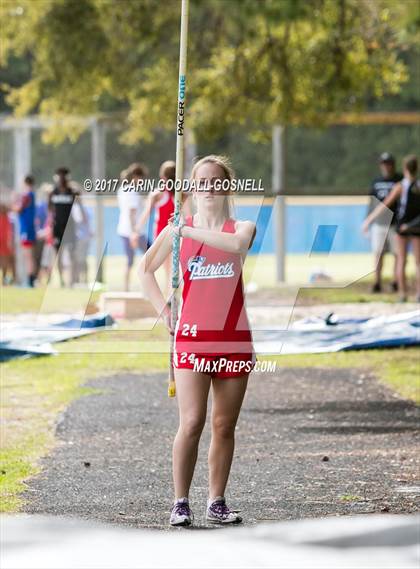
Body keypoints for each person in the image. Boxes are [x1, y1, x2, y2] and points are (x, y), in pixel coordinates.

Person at [139, 155, 257, 527]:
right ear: (191, 187)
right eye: (201, 181)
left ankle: (216, 501)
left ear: (227, 186)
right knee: (191, 422)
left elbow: (237, 245)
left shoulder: (242, 226)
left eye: (216, 180)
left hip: (233, 340)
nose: (209, 187)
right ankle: (180, 502)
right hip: (191, 339)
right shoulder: (178, 229)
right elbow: (145, 269)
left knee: (224, 426)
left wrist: (185, 233)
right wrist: (166, 312)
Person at [363, 154, 420, 302]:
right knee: (418, 262)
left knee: (401, 259)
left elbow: (385, 204)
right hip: (417, 227)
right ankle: (418, 294)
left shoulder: (400, 186)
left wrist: (369, 219)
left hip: (400, 226)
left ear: (404, 168)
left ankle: (402, 293)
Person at [131, 160, 176, 293]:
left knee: (165, 267)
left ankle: (169, 294)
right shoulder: (180, 193)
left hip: (163, 234)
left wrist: (135, 231)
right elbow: (188, 214)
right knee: (170, 267)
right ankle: (170, 293)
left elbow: (146, 214)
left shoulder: (158, 193)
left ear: (163, 176)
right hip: (175, 233)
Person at [366, 153, 403, 293]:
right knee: (377, 253)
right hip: (379, 223)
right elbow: (372, 202)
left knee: (397, 254)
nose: (386, 166)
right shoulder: (376, 182)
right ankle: (377, 282)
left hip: (395, 223)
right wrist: (369, 219)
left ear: (393, 164)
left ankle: (395, 281)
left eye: (388, 163)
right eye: (384, 163)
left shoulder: (399, 180)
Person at [117, 163, 148, 291]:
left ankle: (126, 288)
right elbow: (131, 213)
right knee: (151, 255)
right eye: (141, 178)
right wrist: (134, 233)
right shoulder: (133, 191)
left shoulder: (122, 189)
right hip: (133, 231)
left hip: (124, 230)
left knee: (130, 261)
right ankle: (144, 286)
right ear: (135, 176)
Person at [48, 167, 77, 287]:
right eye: (59, 176)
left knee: (71, 253)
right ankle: (61, 280)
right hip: (57, 228)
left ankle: (71, 280)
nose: (61, 179)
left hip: (70, 227)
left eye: (63, 176)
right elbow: (50, 210)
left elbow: (79, 206)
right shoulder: (52, 193)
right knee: (58, 254)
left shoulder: (72, 192)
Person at [13, 175, 37, 287]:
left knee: (27, 255)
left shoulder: (27, 194)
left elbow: (18, 209)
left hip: (26, 228)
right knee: (28, 255)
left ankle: (30, 280)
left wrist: (14, 199)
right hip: (29, 227)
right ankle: (30, 279)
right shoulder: (31, 194)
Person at [0, 200, 15, 284]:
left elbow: (9, 231)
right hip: (5, 242)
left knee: (5, 260)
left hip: (5, 241)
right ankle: (4, 278)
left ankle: (4, 279)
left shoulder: (6, 218)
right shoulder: (7, 218)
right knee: (5, 260)